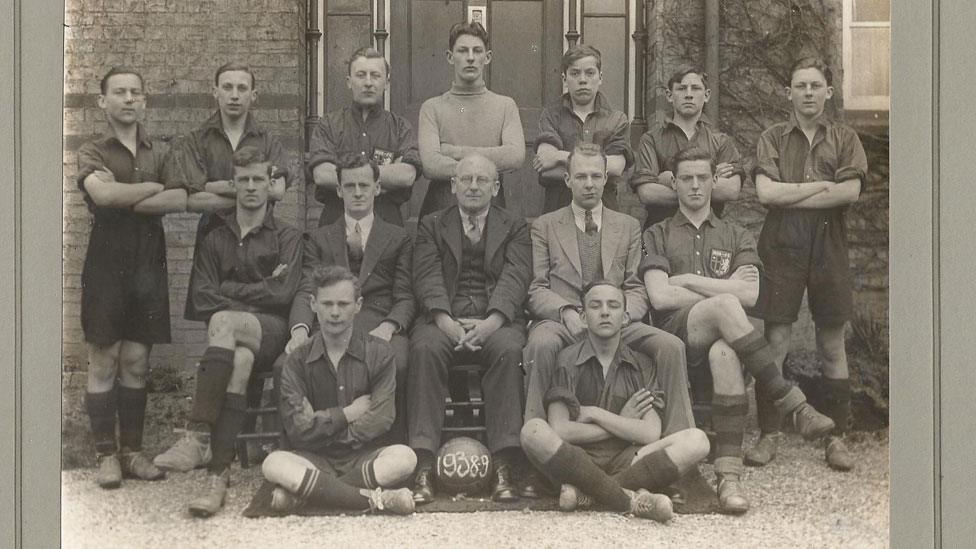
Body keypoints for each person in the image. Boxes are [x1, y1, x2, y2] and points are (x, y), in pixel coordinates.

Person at [641, 147, 836, 513]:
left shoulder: (735, 233)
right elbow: (660, 295)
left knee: (726, 352)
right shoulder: (658, 233)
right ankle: (791, 402)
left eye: (702, 178)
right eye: (687, 178)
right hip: (675, 335)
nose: (695, 186)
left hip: (722, 339)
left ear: (714, 182)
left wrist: (687, 279)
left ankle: (728, 479)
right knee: (726, 304)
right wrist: (719, 286)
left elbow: (751, 292)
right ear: (675, 183)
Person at [152, 146, 303, 518]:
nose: (251, 187)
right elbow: (201, 298)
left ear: (270, 184)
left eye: (258, 180)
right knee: (239, 362)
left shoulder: (287, 236)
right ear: (234, 184)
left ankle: (198, 434)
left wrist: (231, 294)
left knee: (223, 322)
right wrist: (256, 292)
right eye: (244, 180)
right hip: (238, 339)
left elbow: (283, 294)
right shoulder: (215, 239)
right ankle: (218, 476)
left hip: (273, 332)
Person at [523, 143, 695, 440]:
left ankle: (676, 441)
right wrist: (566, 312)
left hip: (617, 320)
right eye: (580, 177)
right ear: (567, 180)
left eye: (595, 176)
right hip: (566, 322)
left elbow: (636, 286)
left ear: (606, 178)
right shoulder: (545, 226)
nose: (589, 184)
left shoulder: (628, 226)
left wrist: (625, 314)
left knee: (671, 346)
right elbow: (537, 289)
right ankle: (540, 441)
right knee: (540, 343)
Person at [749, 57, 868, 471]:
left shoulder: (845, 137)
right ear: (789, 92)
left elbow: (848, 193)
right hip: (782, 241)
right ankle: (769, 433)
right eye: (800, 86)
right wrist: (820, 185)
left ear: (828, 92)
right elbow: (766, 195)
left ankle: (836, 438)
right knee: (775, 341)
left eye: (816, 85)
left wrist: (794, 193)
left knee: (831, 343)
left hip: (828, 241)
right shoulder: (772, 137)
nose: (808, 93)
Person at [76, 67, 187, 488]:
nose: (127, 99)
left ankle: (133, 452)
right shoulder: (93, 150)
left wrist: (125, 194)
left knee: (137, 361)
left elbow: (179, 198)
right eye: (118, 92)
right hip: (106, 259)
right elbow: (101, 196)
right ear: (103, 101)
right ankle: (106, 455)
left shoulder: (159, 149)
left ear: (144, 100)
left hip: (147, 261)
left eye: (135, 92)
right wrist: (151, 189)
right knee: (104, 358)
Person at [520, 281, 710, 523]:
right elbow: (561, 429)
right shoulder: (566, 360)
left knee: (697, 440)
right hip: (577, 460)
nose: (605, 312)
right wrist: (625, 421)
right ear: (584, 317)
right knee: (532, 431)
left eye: (613, 305)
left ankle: (588, 493)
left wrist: (597, 414)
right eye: (595, 306)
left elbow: (651, 433)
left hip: (630, 460)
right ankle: (629, 500)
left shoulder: (642, 363)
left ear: (626, 318)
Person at [408, 154, 531, 504]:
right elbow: (427, 275)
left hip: (496, 321)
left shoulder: (515, 225)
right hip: (443, 319)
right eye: (466, 179)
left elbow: (516, 276)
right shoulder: (432, 224)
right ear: (453, 185)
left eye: (482, 180)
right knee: (424, 349)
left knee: (509, 351)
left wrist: (492, 322)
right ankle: (424, 464)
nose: (473, 186)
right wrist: (444, 321)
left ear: (496, 187)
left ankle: (505, 463)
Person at [262, 265, 417, 516]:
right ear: (313, 304)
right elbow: (298, 429)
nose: (335, 313)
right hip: (313, 457)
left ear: (358, 305)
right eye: (327, 304)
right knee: (273, 464)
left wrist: (325, 427)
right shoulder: (297, 359)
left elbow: (382, 417)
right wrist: (347, 413)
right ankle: (377, 500)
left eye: (343, 304)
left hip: (364, 456)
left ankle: (309, 493)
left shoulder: (379, 352)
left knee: (405, 458)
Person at [285, 153, 415, 444]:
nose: (357, 192)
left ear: (377, 189)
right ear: (338, 190)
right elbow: (307, 289)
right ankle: (303, 446)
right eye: (350, 186)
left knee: (400, 361)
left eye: (364, 185)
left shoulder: (398, 237)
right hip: (330, 321)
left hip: (378, 320)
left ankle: (390, 445)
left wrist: (389, 327)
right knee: (290, 361)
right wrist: (300, 329)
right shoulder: (319, 238)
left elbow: (405, 295)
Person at [174, 61, 295, 320]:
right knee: (216, 316)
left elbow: (278, 191)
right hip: (214, 237)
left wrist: (216, 186)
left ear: (253, 95)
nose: (235, 94)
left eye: (242, 88)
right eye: (227, 87)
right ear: (215, 91)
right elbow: (194, 200)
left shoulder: (267, 139)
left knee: (261, 312)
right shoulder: (197, 139)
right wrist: (250, 189)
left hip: (260, 238)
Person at [417, 21, 525, 217]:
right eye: (462, 51)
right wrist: (484, 168)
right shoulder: (432, 107)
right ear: (450, 57)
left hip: (492, 209)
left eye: (477, 51)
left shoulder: (505, 105)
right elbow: (431, 165)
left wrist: (452, 151)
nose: (470, 58)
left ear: (487, 57)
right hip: (442, 209)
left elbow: (515, 156)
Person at [306, 47, 421, 227]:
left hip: (386, 224)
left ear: (387, 82)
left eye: (375, 75)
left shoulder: (400, 127)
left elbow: (406, 175)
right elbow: (321, 174)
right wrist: (382, 179)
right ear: (349, 81)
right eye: (361, 75)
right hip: (336, 222)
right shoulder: (328, 124)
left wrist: (347, 178)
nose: (368, 82)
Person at [630, 67, 743, 229]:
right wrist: (707, 180)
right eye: (682, 88)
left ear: (706, 95)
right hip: (661, 234)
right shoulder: (651, 139)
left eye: (695, 88)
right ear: (669, 95)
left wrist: (669, 179)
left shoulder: (721, 142)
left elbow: (731, 190)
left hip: (709, 233)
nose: (688, 94)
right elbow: (647, 193)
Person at [534, 44, 632, 214]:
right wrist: (599, 169)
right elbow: (547, 170)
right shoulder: (551, 115)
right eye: (575, 73)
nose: (582, 79)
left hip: (604, 213)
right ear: (564, 79)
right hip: (559, 210)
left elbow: (616, 168)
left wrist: (559, 156)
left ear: (600, 77)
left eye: (589, 73)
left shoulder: (617, 120)